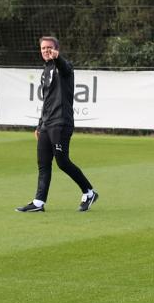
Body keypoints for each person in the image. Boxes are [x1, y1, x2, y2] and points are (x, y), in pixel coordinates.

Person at [16, 35, 97, 213]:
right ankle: (38, 202)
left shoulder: (64, 67)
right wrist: (39, 125)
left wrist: (57, 58)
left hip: (61, 122)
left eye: (49, 48)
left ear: (56, 49)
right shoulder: (45, 71)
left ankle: (89, 192)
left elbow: (64, 66)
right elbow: (46, 101)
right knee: (43, 163)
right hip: (47, 124)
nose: (46, 50)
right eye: (43, 48)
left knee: (63, 162)